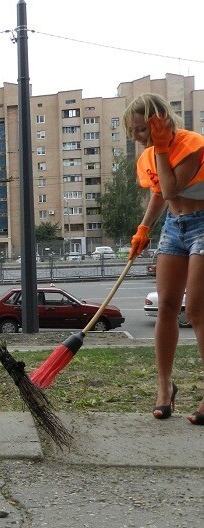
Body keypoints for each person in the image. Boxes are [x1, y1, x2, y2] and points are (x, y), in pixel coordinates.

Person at [123, 93, 204, 425]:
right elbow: (159, 194)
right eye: (134, 133)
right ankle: (164, 387)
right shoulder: (148, 156)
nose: (138, 138)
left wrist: (161, 148)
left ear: (160, 121)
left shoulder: (191, 144)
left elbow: (172, 188)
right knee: (167, 306)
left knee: (197, 308)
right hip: (175, 225)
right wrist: (143, 228)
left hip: (202, 223)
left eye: (143, 130)